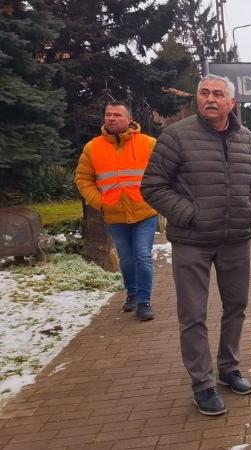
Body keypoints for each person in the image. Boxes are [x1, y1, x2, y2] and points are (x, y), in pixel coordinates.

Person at [141, 74, 251, 415]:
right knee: (193, 315)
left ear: (231, 103)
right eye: (204, 93)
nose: (210, 99)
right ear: (198, 99)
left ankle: (228, 368)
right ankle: (202, 383)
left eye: (218, 94)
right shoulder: (175, 137)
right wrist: (190, 214)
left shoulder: (247, 139)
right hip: (192, 242)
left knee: (236, 307)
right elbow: (152, 186)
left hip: (236, 240)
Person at [75, 101, 159, 321]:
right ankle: (131, 294)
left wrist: (156, 197)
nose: (111, 118)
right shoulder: (93, 147)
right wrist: (99, 202)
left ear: (128, 119)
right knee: (126, 258)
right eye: (108, 114)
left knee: (142, 255)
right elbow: (83, 179)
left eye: (117, 115)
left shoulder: (148, 143)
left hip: (144, 211)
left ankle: (144, 301)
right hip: (114, 213)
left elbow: (164, 172)